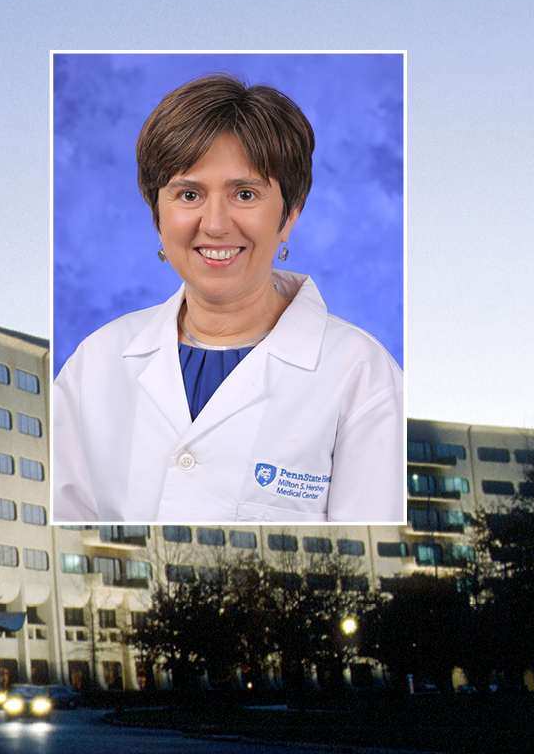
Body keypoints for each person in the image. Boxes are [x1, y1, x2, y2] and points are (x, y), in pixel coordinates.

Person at [52, 74, 403, 523]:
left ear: (289, 215)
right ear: (158, 216)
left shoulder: (362, 376)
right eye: (189, 194)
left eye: (244, 194)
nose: (215, 224)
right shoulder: (95, 363)